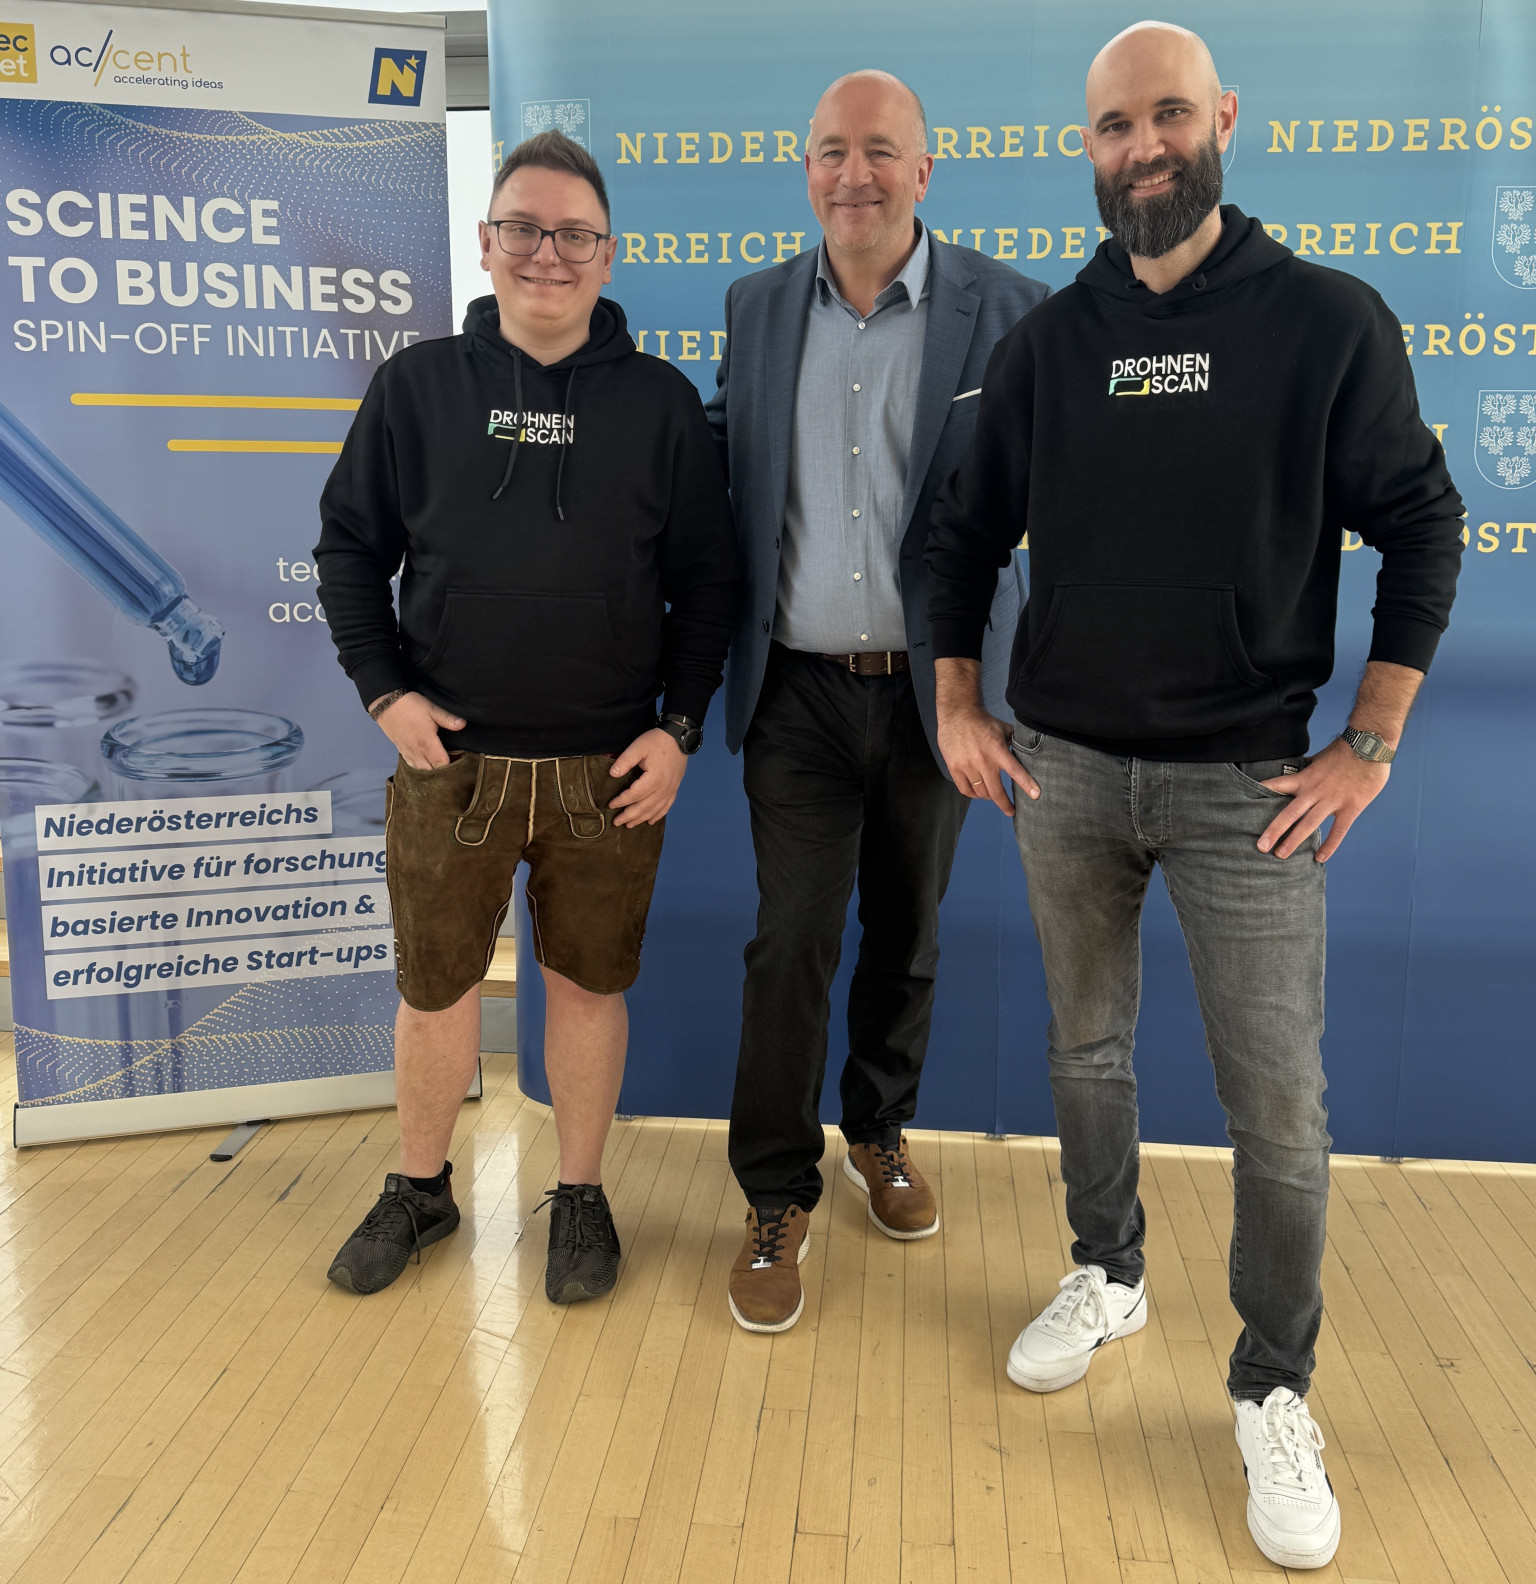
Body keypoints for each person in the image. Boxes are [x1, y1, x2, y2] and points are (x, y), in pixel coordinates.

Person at [926, 21, 1462, 1572]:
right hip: (1066, 773)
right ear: (1087, 149)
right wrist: (956, 701)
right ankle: (1109, 1273)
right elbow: (960, 534)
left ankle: (1272, 1386)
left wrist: (1371, 740)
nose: (1144, 147)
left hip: (1250, 787)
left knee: (1277, 1108)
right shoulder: (1051, 342)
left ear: (1222, 118)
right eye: (1115, 125)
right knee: (1085, 1052)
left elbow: (1423, 527)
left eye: (1168, 115)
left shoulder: (1326, 320)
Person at [315, 130, 738, 1306]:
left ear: (609, 254)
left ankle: (581, 1195)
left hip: (607, 768)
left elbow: (710, 583)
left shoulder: (659, 405)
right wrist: (384, 692)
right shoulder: (415, 388)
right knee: (435, 989)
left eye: (573, 235)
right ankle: (420, 1188)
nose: (547, 253)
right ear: (486, 241)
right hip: (449, 763)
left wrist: (680, 726)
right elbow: (348, 551)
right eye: (524, 229)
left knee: (590, 988)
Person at [706, 70, 1048, 1334]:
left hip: (936, 696)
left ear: (924, 170)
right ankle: (772, 1192)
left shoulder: (1009, 309)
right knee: (790, 940)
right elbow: (724, 464)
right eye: (832, 151)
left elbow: (1051, 498)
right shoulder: (754, 307)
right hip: (794, 688)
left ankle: (880, 1131)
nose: (855, 174)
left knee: (907, 932)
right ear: (807, 170)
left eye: (881, 151)